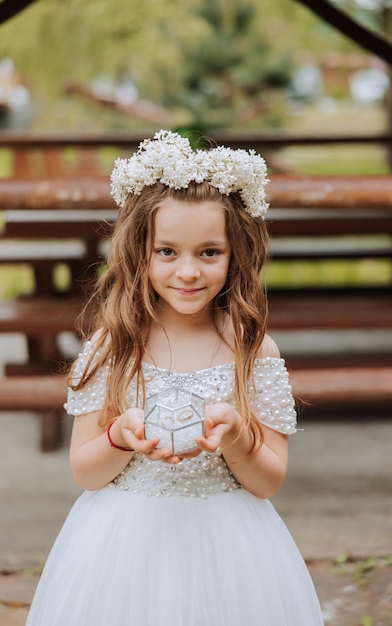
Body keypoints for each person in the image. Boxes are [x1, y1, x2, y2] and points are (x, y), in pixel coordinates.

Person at [26, 130, 324, 626]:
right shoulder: (112, 347)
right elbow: (85, 471)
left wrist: (234, 438)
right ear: (140, 252)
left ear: (236, 256)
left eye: (209, 252)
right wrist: (120, 436)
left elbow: (269, 481)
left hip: (231, 544)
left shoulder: (253, 351)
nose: (187, 271)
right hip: (122, 545)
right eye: (167, 252)